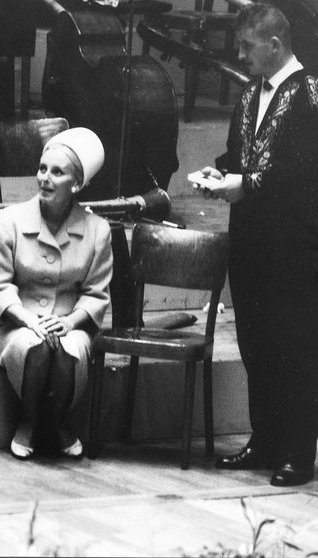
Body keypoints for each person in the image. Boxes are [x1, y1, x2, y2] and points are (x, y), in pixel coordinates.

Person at [191, 2, 318, 486]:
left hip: (293, 241)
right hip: (249, 238)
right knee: (255, 343)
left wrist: (247, 186)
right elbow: (239, 154)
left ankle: (298, 453)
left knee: (295, 346)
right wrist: (218, 172)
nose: (239, 55)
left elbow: (305, 175)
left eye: (246, 47)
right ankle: (264, 440)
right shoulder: (248, 94)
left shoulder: (310, 94)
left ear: (274, 44)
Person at [0, 128, 113, 460]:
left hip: (71, 325)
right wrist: (27, 319)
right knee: (34, 344)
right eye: (42, 169)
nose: (45, 178)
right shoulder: (8, 221)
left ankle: (58, 421)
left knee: (70, 349)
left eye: (57, 172)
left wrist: (69, 323)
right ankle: (29, 421)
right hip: (14, 325)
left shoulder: (97, 230)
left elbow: (96, 294)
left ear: (77, 184)